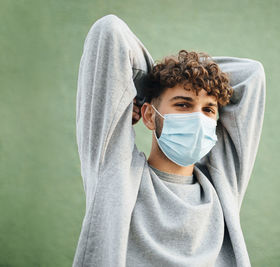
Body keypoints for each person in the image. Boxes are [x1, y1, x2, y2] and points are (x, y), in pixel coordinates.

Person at [73, 14, 266, 267]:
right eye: (183, 104)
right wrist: (149, 86)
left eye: (208, 109)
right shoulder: (116, 173)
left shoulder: (222, 185)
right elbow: (109, 32)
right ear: (150, 116)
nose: (198, 118)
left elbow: (252, 76)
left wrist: (187, 73)